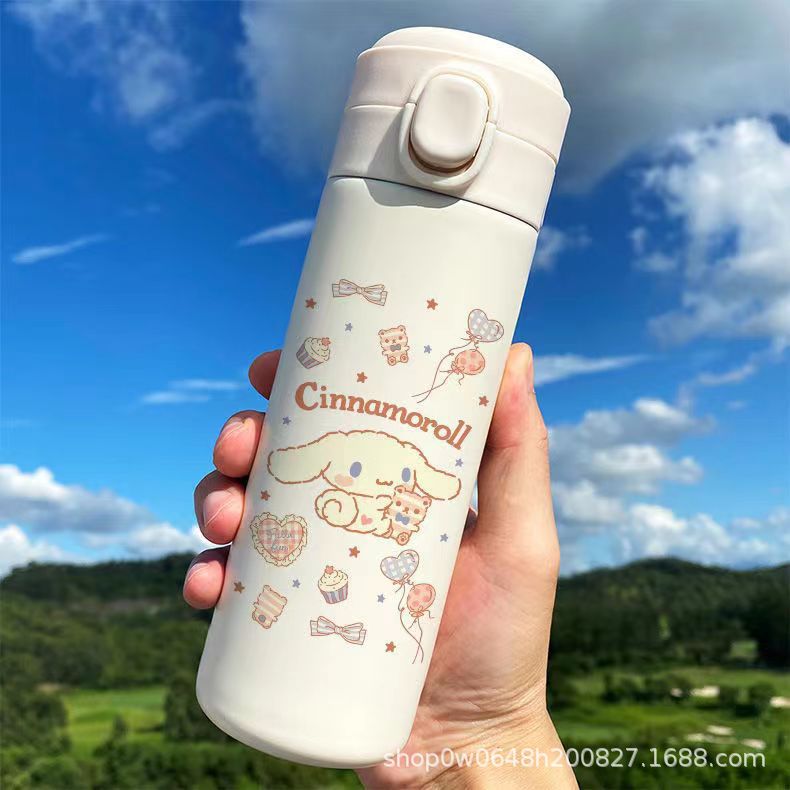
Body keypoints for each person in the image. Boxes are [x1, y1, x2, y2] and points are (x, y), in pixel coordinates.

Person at [184, 344, 577, 788]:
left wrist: (487, 734)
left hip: (389, 694)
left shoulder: (401, 502)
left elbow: (433, 481)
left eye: (404, 476)